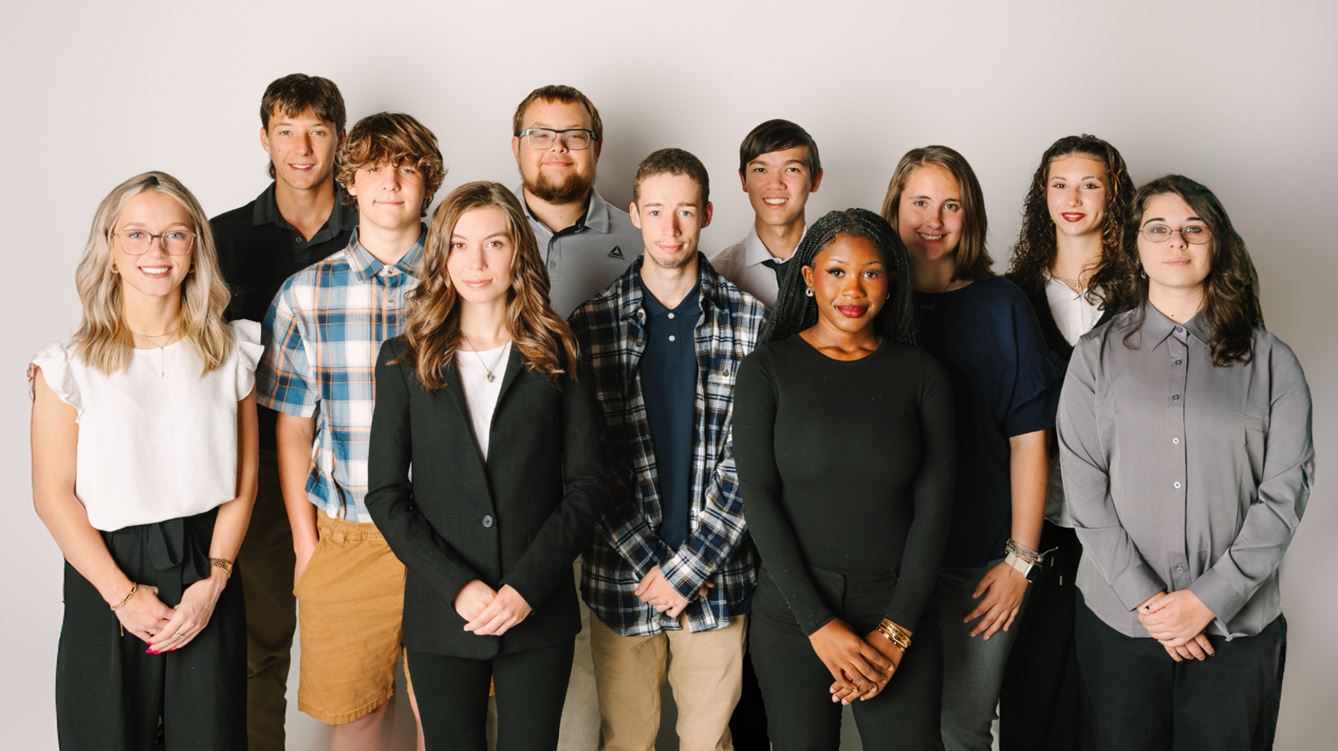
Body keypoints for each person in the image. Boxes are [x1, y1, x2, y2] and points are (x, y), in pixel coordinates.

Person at [1058, 174, 1313, 751]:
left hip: (1237, 630)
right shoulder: (1095, 357)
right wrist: (1150, 604)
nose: (1176, 241)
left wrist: (1206, 601)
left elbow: (1284, 494)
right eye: (1159, 229)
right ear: (1136, 245)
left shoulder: (1273, 361)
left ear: (1216, 242)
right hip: (1119, 624)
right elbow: (1083, 488)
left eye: (1193, 228)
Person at [365, 181, 608, 750]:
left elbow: (587, 486)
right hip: (442, 611)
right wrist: (458, 587)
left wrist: (525, 586)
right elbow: (386, 495)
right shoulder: (404, 359)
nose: (475, 263)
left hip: (537, 608)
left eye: (494, 244)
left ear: (518, 252)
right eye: (459, 245)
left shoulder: (558, 351)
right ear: (441, 255)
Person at [30, 171, 260, 749]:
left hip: (206, 564)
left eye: (174, 234)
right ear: (109, 249)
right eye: (135, 234)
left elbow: (244, 477)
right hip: (106, 568)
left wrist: (215, 581)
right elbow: (53, 496)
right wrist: (122, 596)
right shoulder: (66, 367)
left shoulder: (230, 352)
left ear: (194, 249)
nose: (155, 250)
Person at [733, 207, 955, 749]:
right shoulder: (766, 371)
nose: (853, 289)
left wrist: (897, 630)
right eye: (836, 271)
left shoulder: (922, 375)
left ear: (891, 281)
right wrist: (818, 624)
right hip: (794, 614)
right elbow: (759, 500)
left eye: (870, 273)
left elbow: (935, 508)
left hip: (898, 608)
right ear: (808, 277)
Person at [258, 112, 445, 749]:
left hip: (450, 535)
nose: (390, 182)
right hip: (348, 534)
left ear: (428, 183)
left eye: (407, 168)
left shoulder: (465, 283)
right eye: (374, 169)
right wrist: (306, 544)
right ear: (351, 182)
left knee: (444, 716)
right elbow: (292, 427)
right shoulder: (304, 295)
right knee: (357, 716)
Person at [569, 148, 765, 751]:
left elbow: (751, 461)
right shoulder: (591, 325)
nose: (670, 228)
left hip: (716, 577)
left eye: (684, 210)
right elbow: (589, 464)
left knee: (709, 743)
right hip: (623, 577)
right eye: (655, 211)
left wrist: (688, 569)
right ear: (634, 215)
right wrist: (654, 566)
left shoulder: (751, 322)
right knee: (625, 742)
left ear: (706, 213)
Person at [881, 145, 1051, 751]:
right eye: (920, 202)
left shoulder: (1003, 306)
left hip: (977, 566)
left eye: (950, 206)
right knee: (893, 731)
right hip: (883, 564)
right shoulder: (866, 300)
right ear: (895, 208)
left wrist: (1019, 563)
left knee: (962, 731)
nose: (934, 220)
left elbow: (1029, 442)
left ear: (970, 215)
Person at [210, 72, 356, 751]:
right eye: (287, 131)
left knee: (381, 649)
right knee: (258, 647)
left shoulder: (379, 225)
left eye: (317, 132)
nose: (302, 148)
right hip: (262, 469)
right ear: (264, 139)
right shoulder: (222, 238)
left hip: (367, 473)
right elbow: (170, 330)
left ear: (340, 139)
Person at [999, 134, 1135, 751]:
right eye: (1060, 184)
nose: (1073, 198)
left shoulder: (1146, 296)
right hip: (1039, 530)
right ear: (1043, 196)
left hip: (1132, 529)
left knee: (1116, 705)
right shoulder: (1011, 298)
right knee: (1033, 698)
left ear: (1114, 195)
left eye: (1089, 184)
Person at [512, 84, 644, 318]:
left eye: (575, 136)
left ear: (597, 149)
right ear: (517, 148)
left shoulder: (644, 239)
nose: (558, 147)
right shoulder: (473, 234)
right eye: (541, 135)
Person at [709, 118, 824, 307]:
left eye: (792, 169)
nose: (775, 184)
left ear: (816, 180)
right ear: (743, 180)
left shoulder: (842, 266)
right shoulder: (716, 274)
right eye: (761, 170)